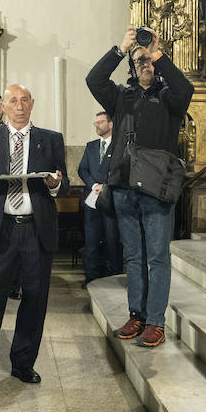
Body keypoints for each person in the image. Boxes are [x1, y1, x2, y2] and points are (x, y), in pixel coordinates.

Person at [86, 26, 194, 349]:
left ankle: (156, 322)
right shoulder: (122, 96)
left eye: (149, 61)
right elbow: (94, 80)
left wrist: (156, 53)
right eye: (140, 61)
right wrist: (121, 49)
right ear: (132, 68)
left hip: (157, 189)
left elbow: (184, 88)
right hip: (123, 186)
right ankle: (137, 314)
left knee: (157, 257)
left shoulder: (169, 98)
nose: (145, 64)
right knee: (133, 256)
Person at [0, 83, 68, 385]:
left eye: (24, 100)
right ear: (2, 106)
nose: (19, 106)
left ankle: (22, 363)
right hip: (0, 229)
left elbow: (62, 183)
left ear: (32, 104)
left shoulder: (50, 139)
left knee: (34, 299)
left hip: (35, 230)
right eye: (12, 101)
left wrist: (55, 183)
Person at [77, 110, 121, 286]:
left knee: (113, 240)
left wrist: (106, 185)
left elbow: (121, 170)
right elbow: (82, 169)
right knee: (91, 241)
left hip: (110, 200)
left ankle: (115, 276)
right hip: (92, 200)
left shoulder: (119, 146)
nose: (97, 125)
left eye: (101, 122)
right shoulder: (91, 146)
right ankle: (91, 277)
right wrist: (93, 185)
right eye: (95, 123)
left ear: (110, 124)